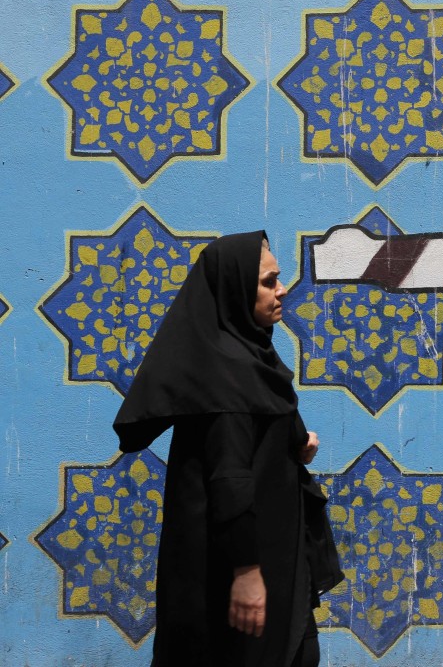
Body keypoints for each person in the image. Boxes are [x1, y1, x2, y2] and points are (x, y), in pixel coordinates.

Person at [113, 231, 342, 666]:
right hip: (241, 566)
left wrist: (293, 446)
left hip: (274, 555)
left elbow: (263, 428)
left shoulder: (249, 357)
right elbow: (229, 480)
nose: (282, 289)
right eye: (269, 281)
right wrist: (247, 575)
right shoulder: (229, 376)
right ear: (235, 290)